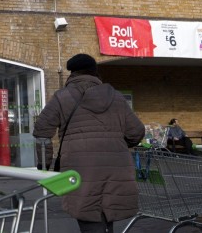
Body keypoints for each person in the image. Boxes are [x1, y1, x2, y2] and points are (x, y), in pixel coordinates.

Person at [33, 53, 145, 233]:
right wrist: (117, 144)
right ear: (95, 72)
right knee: (107, 213)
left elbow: (42, 132)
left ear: (72, 73)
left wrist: (44, 163)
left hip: (80, 167)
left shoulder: (62, 97)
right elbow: (137, 132)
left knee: (88, 216)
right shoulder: (116, 97)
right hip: (116, 166)